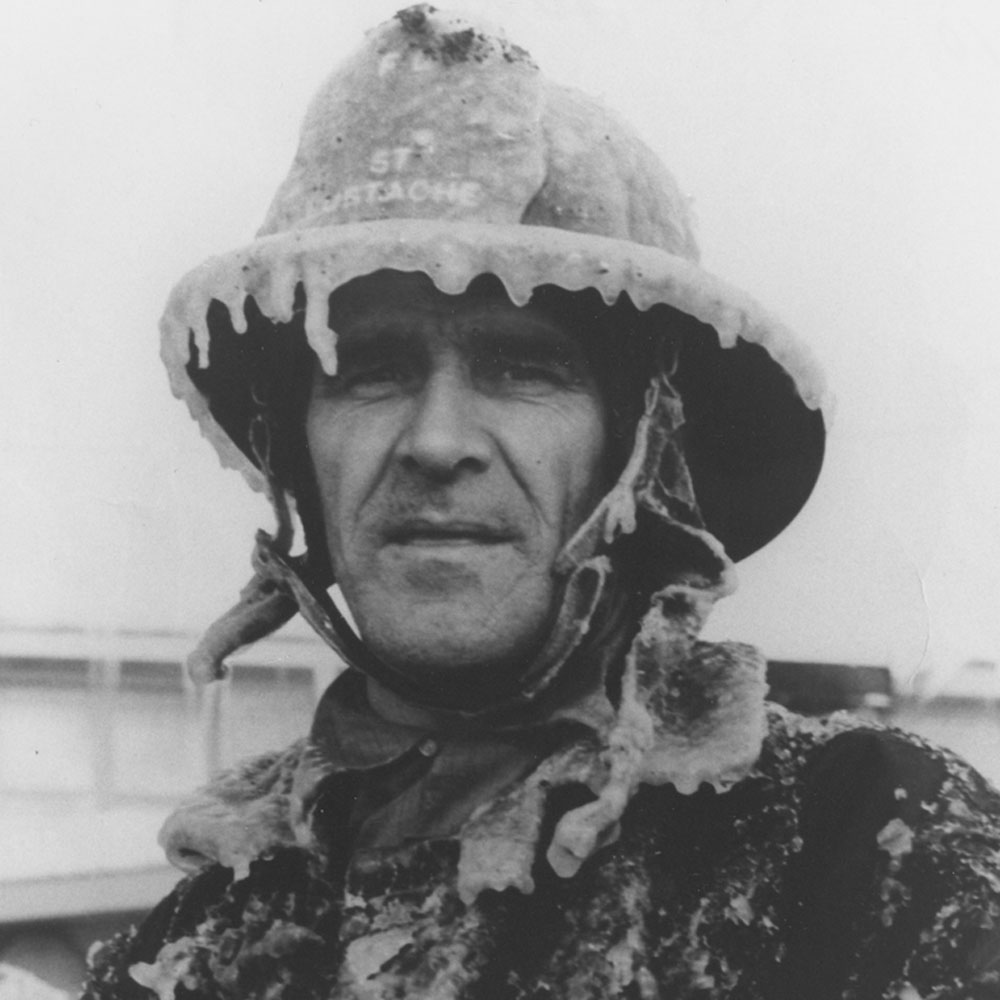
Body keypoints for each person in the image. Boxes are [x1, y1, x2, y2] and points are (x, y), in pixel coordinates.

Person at [82, 7, 1000, 999]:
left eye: (523, 369)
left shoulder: (869, 850)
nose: (437, 441)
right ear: (297, 454)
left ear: (640, 452)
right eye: (368, 370)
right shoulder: (196, 946)